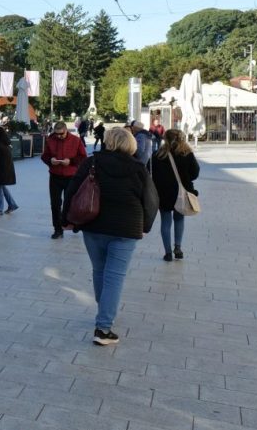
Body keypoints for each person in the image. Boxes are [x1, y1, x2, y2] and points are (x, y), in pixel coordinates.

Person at [64, 126, 158, 346]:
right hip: (126, 228)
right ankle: (103, 327)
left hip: (93, 224)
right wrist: (146, 225)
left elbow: (72, 189)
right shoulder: (138, 167)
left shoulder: (92, 163)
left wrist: (66, 219)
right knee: (114, 276)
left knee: (99, 270)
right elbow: (151, 199)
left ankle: (104, 310)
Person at [150, 129, 199, 262]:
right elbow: (195, 173)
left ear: (165, 139)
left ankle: (167, 253)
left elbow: (150, 172)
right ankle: (178, 248)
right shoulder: (187, 154)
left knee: (165, 222)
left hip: (163, 193)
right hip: (181, 193)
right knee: (179, 218)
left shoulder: (157, 155)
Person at [41, 121, 88, 239]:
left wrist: (70, 161)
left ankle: (75, 224)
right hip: (55, 176)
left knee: (72, 202)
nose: (58, 136)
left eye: (61, 134)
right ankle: (58, 229)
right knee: (55, 204)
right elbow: (44, 156)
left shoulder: (76, 140)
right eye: (56, 134)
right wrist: (50, 160)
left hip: (71, 176)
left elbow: (83, 157)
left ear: (66, 130)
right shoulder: (50, 140)